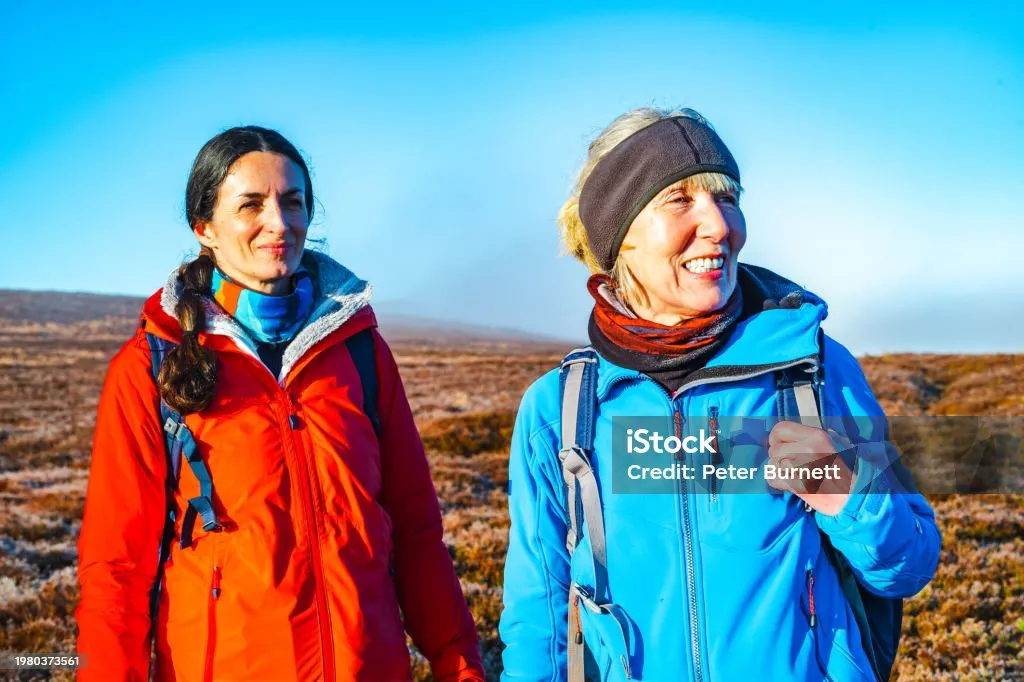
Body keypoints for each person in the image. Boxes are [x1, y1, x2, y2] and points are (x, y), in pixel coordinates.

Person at [499, 108, 941, 681]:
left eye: (727, 198)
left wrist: (851, 497)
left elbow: (909, 565)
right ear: (619, 236)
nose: (719, 225)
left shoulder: (812, 374)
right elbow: (540, 622)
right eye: (679, 199)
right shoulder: (562, 411)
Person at [76, 126, 485, 681]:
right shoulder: (151, 366)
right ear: (205, 228)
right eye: (251, 204)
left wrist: (460, 666)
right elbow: (117, 570)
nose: (279, 222)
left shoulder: (360, 352)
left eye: (293, 202)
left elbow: (416, 533)